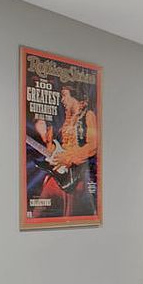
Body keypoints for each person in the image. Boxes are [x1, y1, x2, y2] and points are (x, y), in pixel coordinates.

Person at [38, 82, 99, 217]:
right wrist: (49, 143)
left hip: (77, 177)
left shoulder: (88, 115)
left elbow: (93, 145)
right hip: (59, 176)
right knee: (39, 212)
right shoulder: (64, 123)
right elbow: (58, 148)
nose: (62, 100)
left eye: (64, 95)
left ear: (74, 97)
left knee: (69, 217)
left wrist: (69, 157)